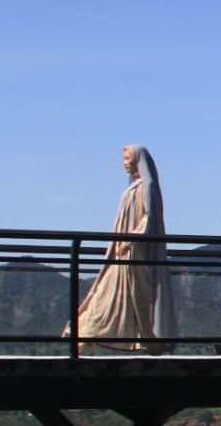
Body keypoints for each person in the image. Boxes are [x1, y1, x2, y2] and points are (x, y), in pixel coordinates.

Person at [63, 144, 175, 353]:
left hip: (133, 253)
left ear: (137, 161)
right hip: (121, 253)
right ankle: (85, 334)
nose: (124, 163)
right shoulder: (132, 189)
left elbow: (148, 217)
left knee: (130, 297)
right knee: (107, 294)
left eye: (127, 159)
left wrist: (131, 240)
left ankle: (142, 338)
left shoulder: (146, 187)